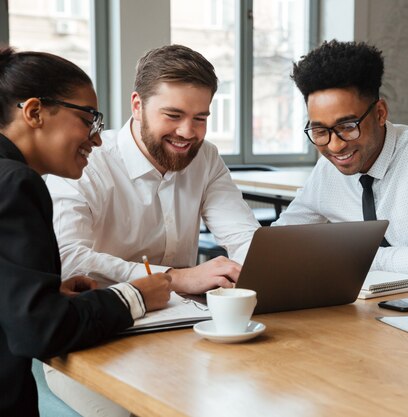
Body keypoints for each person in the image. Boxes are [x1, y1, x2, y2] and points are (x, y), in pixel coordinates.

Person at [0, 47, 172, 417]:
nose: (96, 139)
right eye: (89, 119)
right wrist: (134, 296)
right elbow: (40, 331)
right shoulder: (16, 183)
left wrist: (42, 293)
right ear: (34, 112)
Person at [46, 44, 259, 292]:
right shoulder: (87, 161)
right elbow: (66, 257)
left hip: (188, 313)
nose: (187, 132)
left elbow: (243, 237)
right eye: (173, 115)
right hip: (109, 314)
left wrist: (248, 272)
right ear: (137, 106)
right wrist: (174, 278)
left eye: (200, 118)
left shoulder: (206, 156)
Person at [273, 40, 408, 274]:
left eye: (347, 126)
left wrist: (349, 257)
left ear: (380, 113)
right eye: (320, 131)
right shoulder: (328, 171)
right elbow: (278, 241)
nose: (335, 146)